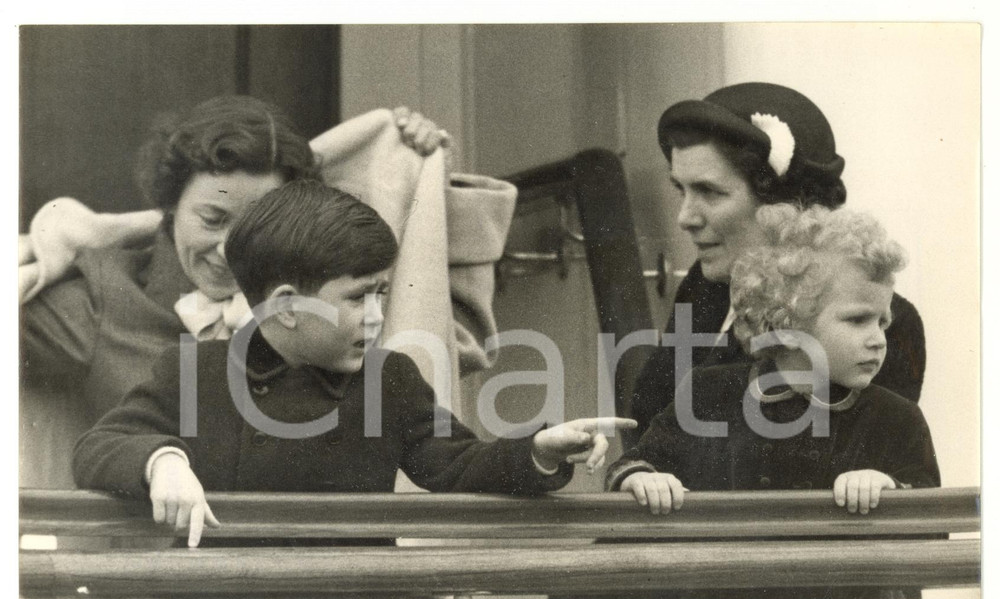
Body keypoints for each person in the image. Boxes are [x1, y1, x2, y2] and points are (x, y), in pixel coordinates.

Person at [72, 180, 637, 548]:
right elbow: (98, 447)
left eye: (381, 294)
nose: (375, 316)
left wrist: (537, 449)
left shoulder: (388, 380)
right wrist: (163, 464)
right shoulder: (194, 370)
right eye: (357, 297)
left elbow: (457, 463)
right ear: (289, 306)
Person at [20, 95, 449, 427]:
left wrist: (424, 174)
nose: (230, 249)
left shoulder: (329, 294)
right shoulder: (102, 297)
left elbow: (440, 319)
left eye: (256, 224)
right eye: (212, 218)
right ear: (170, 205)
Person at [629, 82, 926, 438]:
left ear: (786, 203)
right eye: (682, 189)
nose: (685, 217)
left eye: (709, 191)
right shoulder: (705, 288)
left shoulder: (880, 325)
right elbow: (650, 423)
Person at [608, 203, 940, 516]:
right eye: (858, 320)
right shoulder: (708, 394)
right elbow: (636, 462)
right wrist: (642, 479)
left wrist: (889, 488)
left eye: (883, 323)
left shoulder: (897, 419)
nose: (878, 340)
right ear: (787, 325)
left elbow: (931, 516)